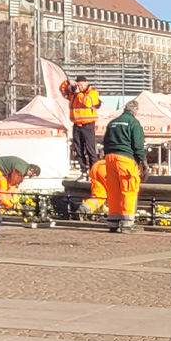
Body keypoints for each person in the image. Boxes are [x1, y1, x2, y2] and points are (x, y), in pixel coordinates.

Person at [101, 99, 145, 233]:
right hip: (125, 159)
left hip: (110, 158)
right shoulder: (134, 123)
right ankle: (127, 223)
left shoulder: (112, 123)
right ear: (135, 111)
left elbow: (105, 141)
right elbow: (138, 145)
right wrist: (142, 161)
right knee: (129, 189)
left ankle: (113, 221)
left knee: (114, 190)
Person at [59, 76, 102, 174]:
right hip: (76, 125)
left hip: (88, 125)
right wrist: (68, 82)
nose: (80, 87)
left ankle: (94, 170)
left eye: (81, 85)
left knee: (90, 149)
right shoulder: (73, 94)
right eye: (78, 85)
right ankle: (83, 170)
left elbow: (87, 102)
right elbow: (62, 90)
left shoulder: (92, 93)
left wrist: (78, 93)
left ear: (87, 83)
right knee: (78, 149)